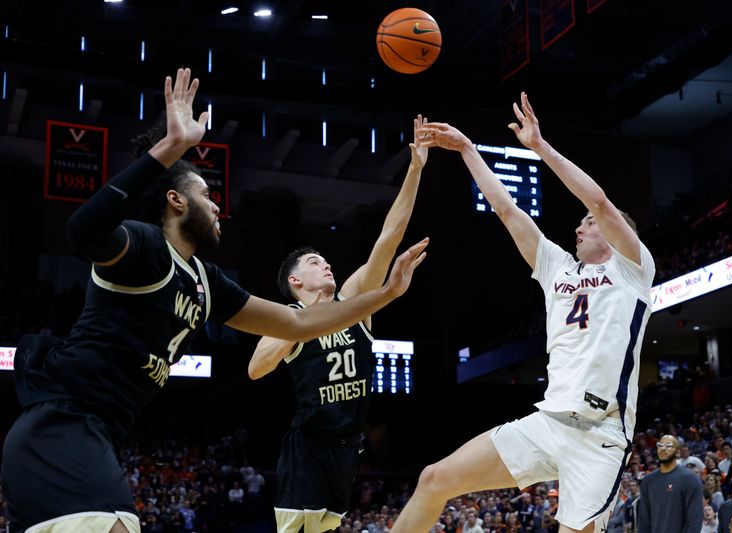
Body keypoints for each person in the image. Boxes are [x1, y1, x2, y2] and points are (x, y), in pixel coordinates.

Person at [0, 68, 427, 533]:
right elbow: (81, 230)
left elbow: (299, 325)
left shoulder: (207, 282)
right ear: (175, 202)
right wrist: (171, 148)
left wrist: (386, 294)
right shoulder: (141, 249)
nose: (218, 205)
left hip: (96, 434)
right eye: (206, 195)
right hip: (61, 426)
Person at [389, 91, 656, 533]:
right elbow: (506, 210)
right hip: (549, 421)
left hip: (600, 435)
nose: (579, 226)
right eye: (582, 222)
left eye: (587, 223)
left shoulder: (633, 269)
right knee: (433, 478)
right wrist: (468, 150)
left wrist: (540, 147)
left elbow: (601, 202)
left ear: (617, 233)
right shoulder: (556, 267)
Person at [247, 114, 430, 533]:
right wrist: (302, 327)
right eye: (314, 262)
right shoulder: (287, 319)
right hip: (309, 446)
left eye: (326, 260)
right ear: (295, 281)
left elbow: (390, 234)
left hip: (350, 448)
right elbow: (256, 370)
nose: (325, 263)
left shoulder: (353, 302)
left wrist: (416, 168)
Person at [638, 435, 704, 533]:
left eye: (668, 446)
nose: (663, 448)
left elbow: (695, 521)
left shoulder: (690, 479)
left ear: (677, 453)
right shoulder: (648, 481)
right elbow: (643, 521)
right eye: (660, 445)